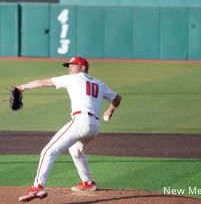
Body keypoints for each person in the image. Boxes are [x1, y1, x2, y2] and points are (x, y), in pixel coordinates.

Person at [17, 56, 122, 203]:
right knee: (75, 150)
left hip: (81, 122)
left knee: (48, 151)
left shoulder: (73, 79)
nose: (69, 68)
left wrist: (22, 87)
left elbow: (43, 82)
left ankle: (37, 186)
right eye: (69, 65)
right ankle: (88, 183)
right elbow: (117, 98)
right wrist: (109, 111)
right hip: (94, 126)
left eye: (73, 65)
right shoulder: (99, 83)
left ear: (83, 68)